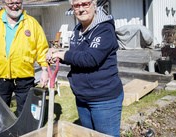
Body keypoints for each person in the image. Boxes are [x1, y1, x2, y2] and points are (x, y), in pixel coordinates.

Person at [46, 0, 124, 136]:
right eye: (76, 5)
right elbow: (77, 57)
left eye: (85, 4)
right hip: (82, 97)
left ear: (94, 5)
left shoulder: (104, 29)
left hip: (104, 99)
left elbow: (90, 58)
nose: (81, 9)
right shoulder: (78, 29)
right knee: (88, 135)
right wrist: (56, 55)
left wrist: (63, 54)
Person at [0, 0, 49, 116]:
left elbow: (42, 49)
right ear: (4, 3)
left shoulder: (32, 24)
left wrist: (45, 70)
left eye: (17, 2)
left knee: (26, 113)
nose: (14, 6)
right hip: (0, 77)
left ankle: (25, 133)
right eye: (11, 3)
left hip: (25, 77)